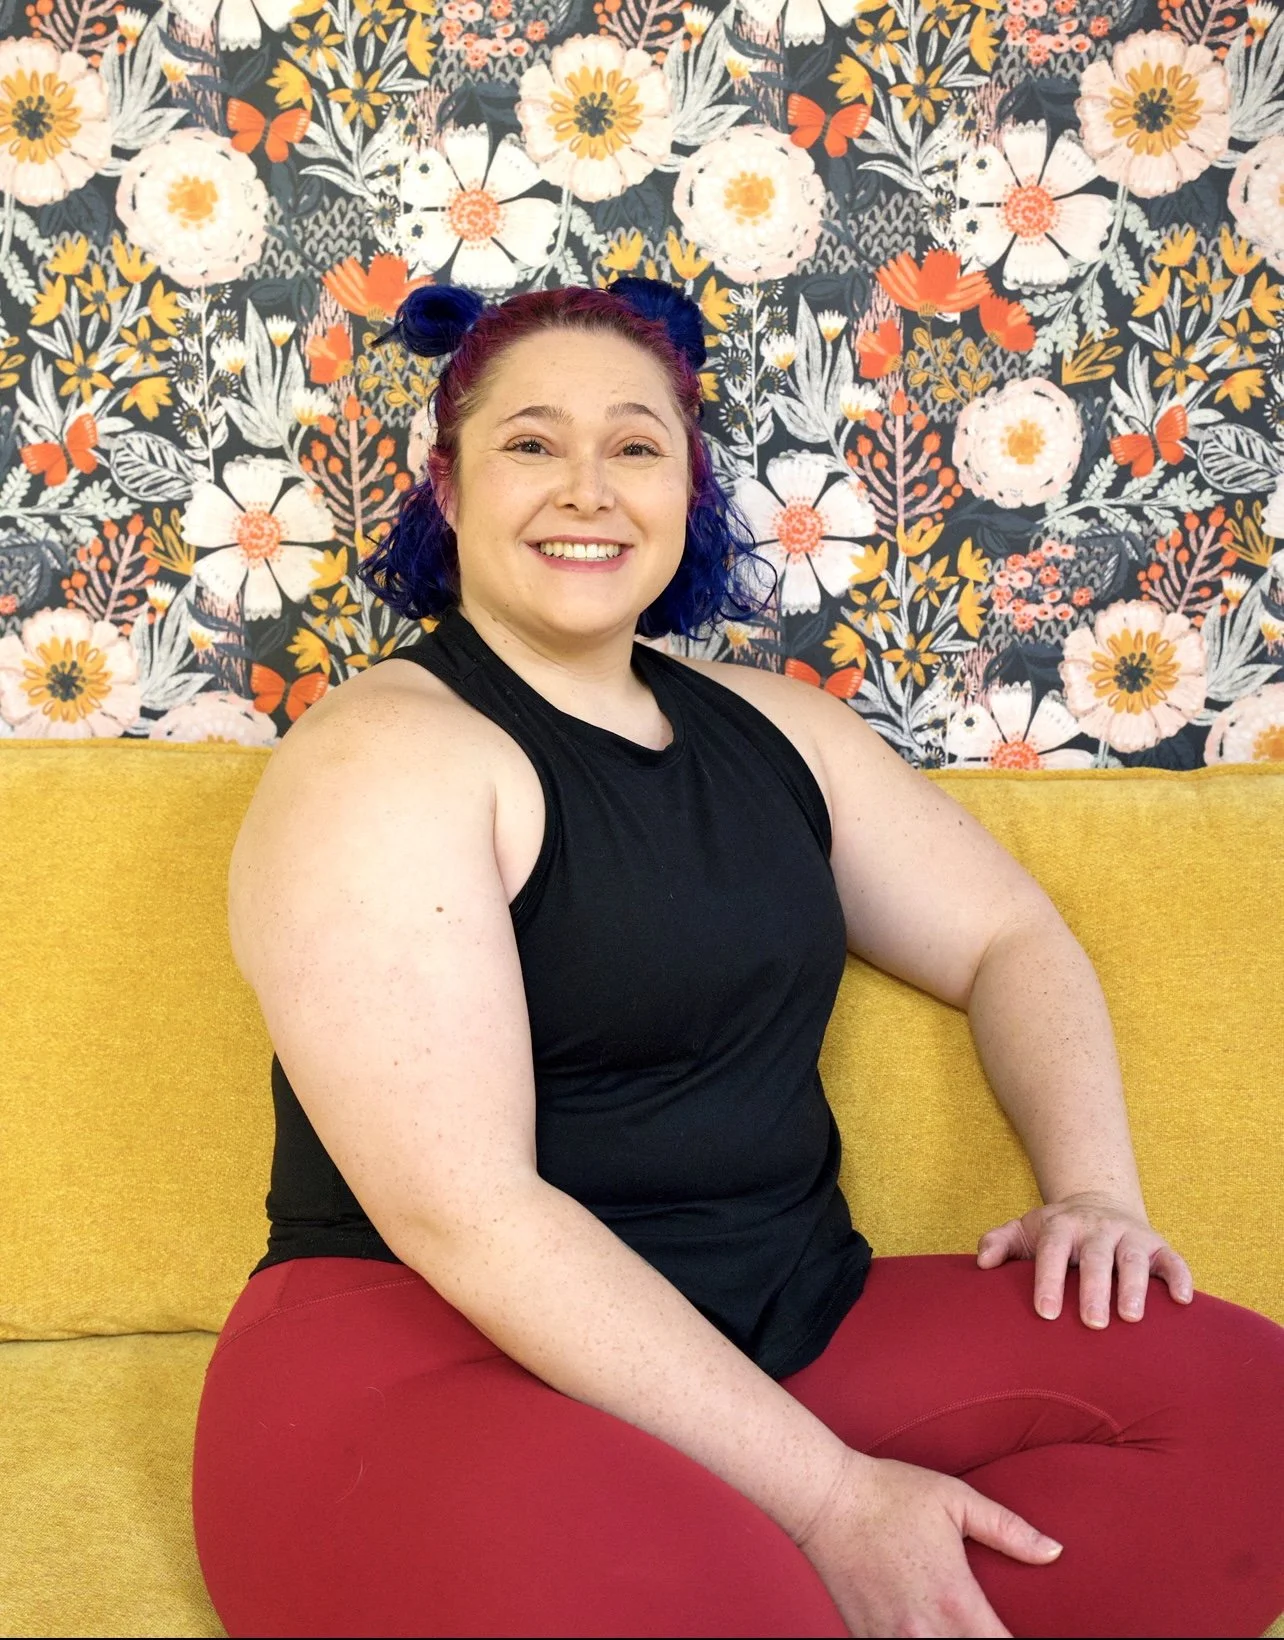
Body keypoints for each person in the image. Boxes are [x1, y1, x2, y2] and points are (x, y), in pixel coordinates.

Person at [191, 279, 1284, 1640]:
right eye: (530, 444)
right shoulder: (380, 758)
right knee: (720, 1602)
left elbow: (1011, 938)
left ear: (688, 490)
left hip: (781, 1337)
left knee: (1252, 1405)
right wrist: (833, 1500)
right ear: (449, 491)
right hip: (430, 1359)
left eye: (635, 447)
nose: (586, 488)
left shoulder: (779, 731)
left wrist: (1096, 1190)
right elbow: (461, 1213)